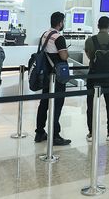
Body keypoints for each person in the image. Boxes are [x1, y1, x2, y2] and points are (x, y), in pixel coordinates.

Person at [34, 12, 71, 146]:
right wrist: (66, 51)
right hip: (57, 77)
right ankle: (55, 135)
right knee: (57, 105)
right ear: (60, 23)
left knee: (44, 103)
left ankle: (39, 132)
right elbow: (64, 56)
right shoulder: (58, 38)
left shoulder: (45, 34)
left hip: (45, 75)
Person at [84, 16, 109, 142]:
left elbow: (89, 55)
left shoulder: (90, 40)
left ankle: (91, 133)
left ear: (98, 26)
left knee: (91, 105)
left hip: (94, 76)